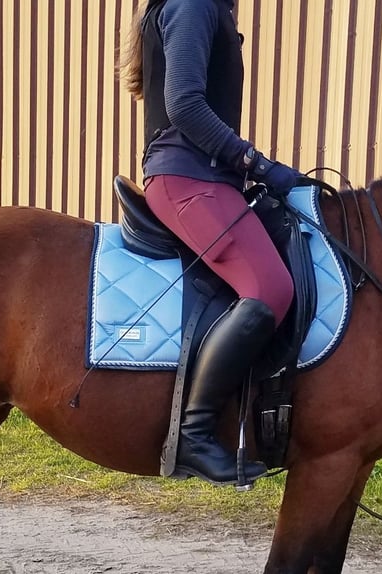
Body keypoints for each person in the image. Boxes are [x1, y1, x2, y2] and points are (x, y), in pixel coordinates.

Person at [120, 0, 300, 485]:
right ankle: (195, 435)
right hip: (187, 180)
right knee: (269, 288)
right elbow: (183, 105)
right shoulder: (194, 5)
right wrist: (254, 162)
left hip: (210, 180)